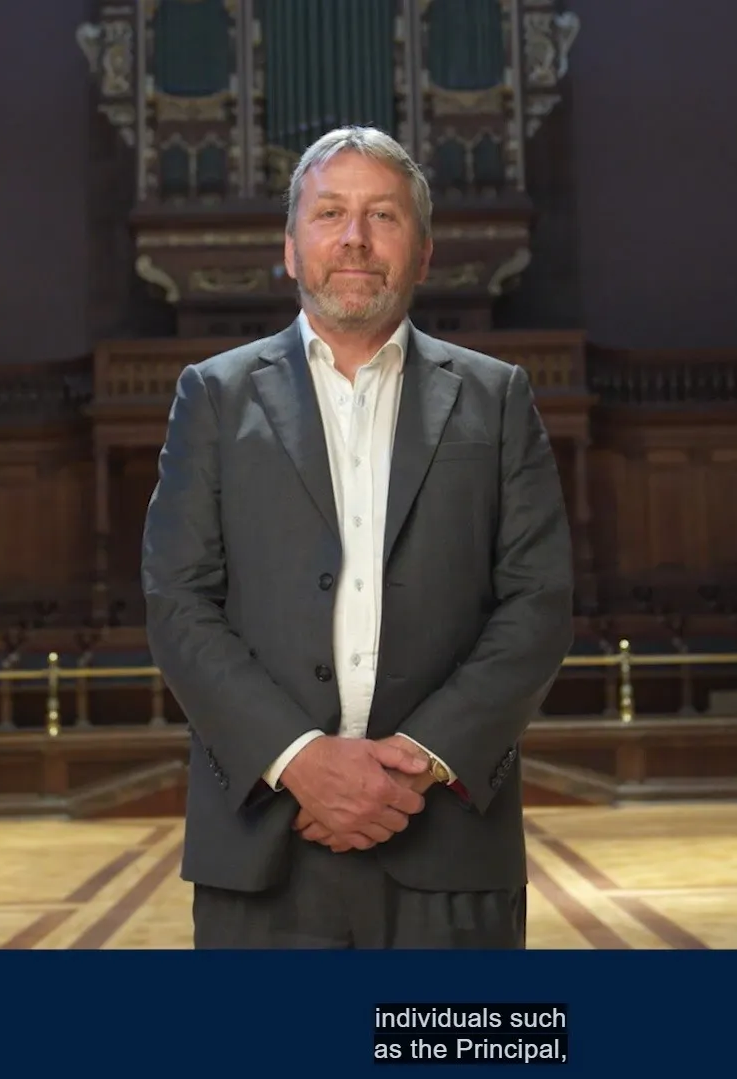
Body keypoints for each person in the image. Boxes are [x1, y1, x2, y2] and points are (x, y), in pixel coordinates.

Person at [140, 125, 574, 949]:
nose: (353, 238)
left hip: (448, 835)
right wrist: (299, 758)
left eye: (382, 216)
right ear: (291, 248)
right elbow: (178, 601)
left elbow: (538, 602)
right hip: (263, 837)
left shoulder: (497, 397)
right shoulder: (214, 396)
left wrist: (416, 759)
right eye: (330, 213)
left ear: (422, 250)